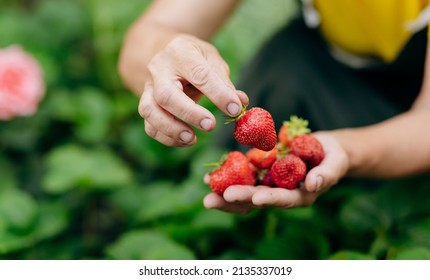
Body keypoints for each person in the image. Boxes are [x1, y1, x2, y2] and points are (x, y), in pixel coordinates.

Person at [118, 0, 430, 214]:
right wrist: (166, 59)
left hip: (414, 117)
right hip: (315, 70)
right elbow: (147, 34)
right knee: (282, 68)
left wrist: (348, 150)